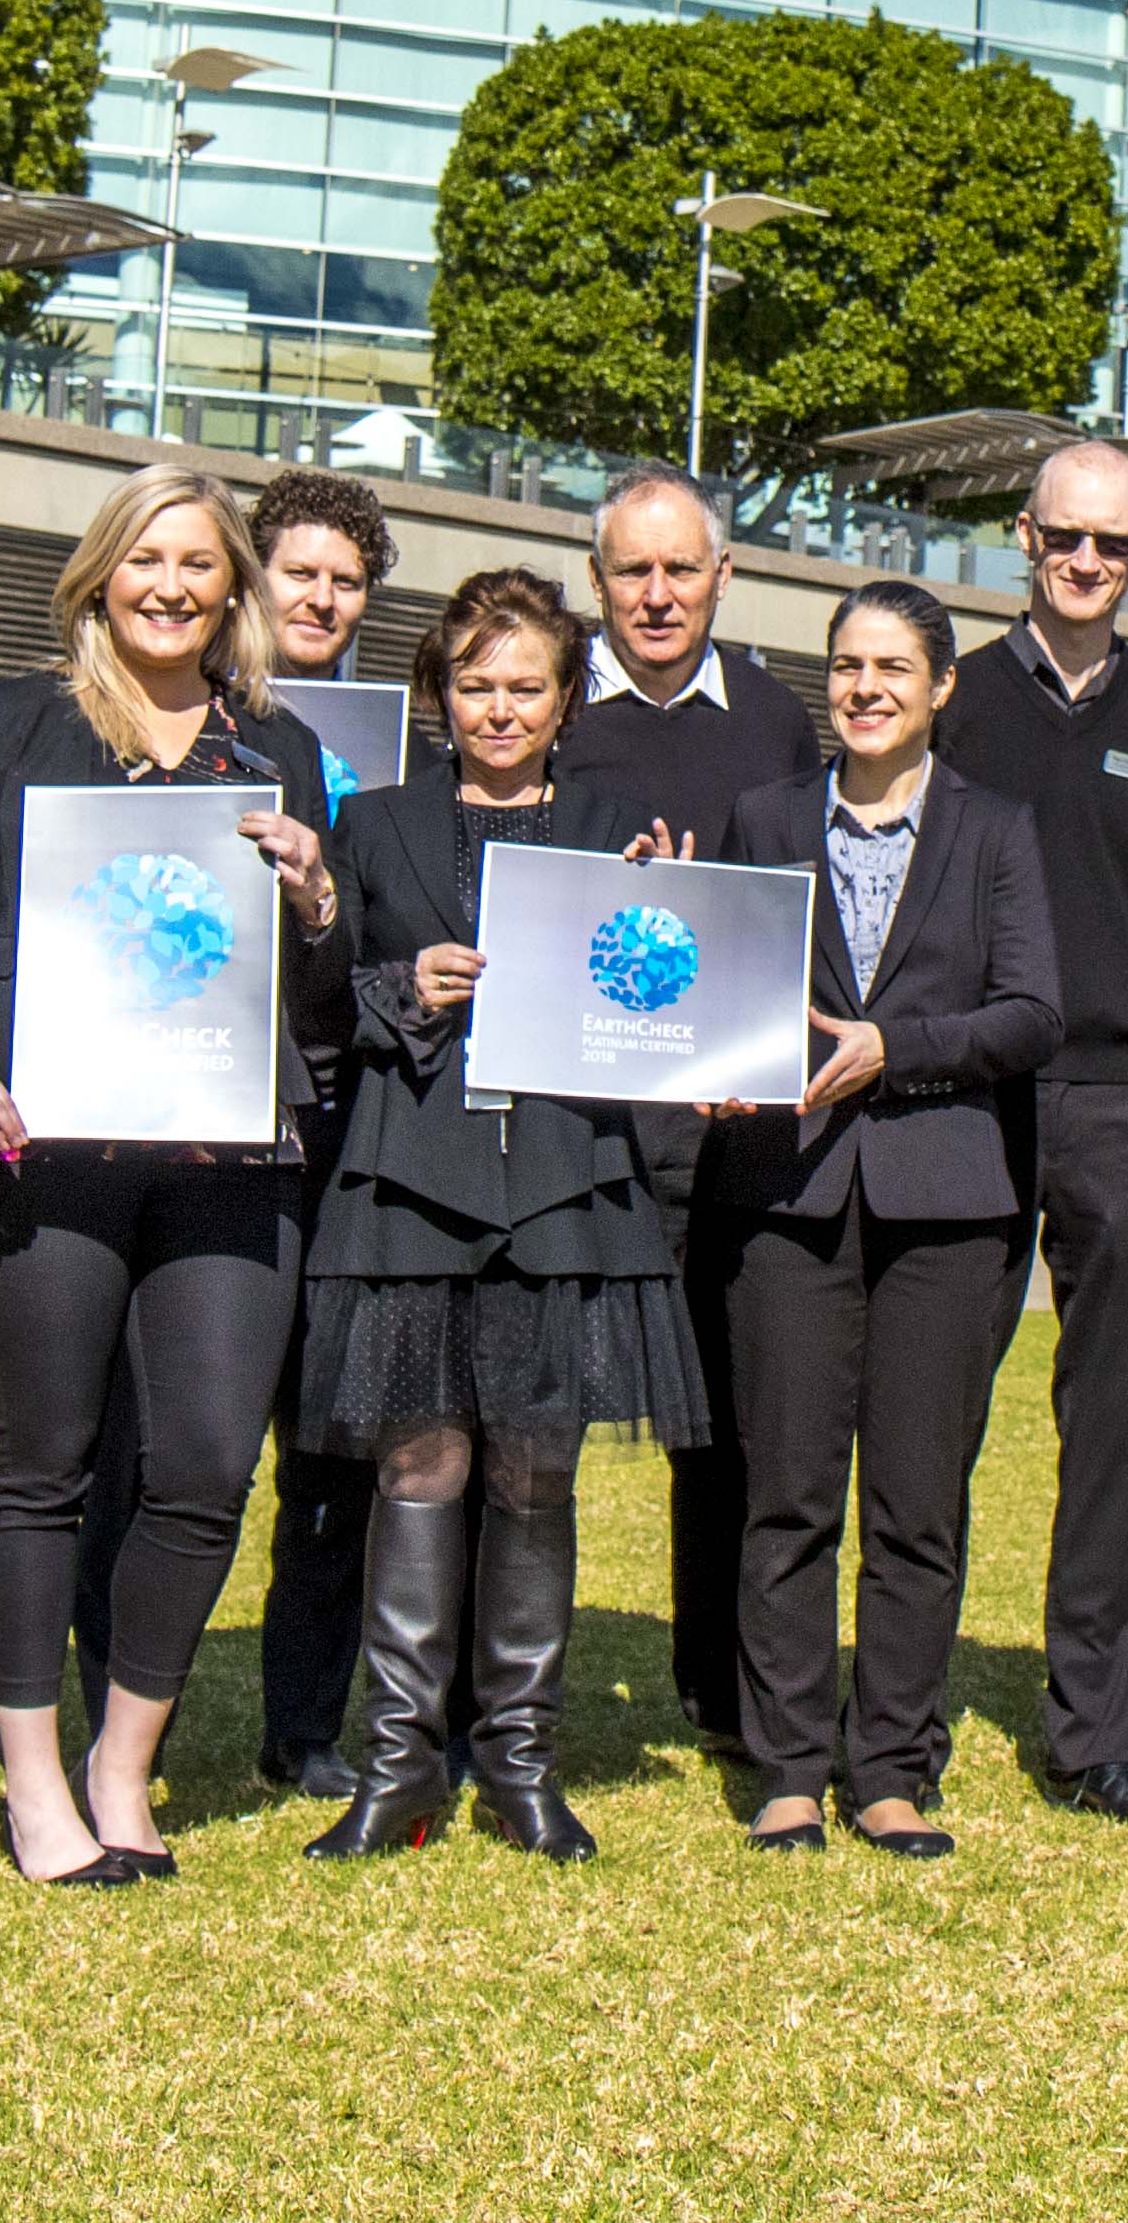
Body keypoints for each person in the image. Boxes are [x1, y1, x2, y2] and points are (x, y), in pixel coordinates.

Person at [0, 464, 345, 1890]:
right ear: (98, 575)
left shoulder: (282, 749)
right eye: (147, 559)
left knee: (205, 1463)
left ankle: (122, 1767)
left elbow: (320, 994)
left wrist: (319, 898)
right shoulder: (10, 726)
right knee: (45, 1463)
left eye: (202, 564)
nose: (173, 586)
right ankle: (35, 1788)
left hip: (225, 1149)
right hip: (38, 1149)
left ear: (234, 589)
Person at [295, 566, 713, 1859]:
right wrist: (401, 982)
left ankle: (522, 1763)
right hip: (409, 1176)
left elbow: (651, 1009)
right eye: (475, 686)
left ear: (565, 698)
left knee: (537, 1471)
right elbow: (322, 998)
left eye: (525, 687)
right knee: (420, 1468)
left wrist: (665, 924)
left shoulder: (617, 828)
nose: (499, 708)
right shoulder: (373, 825)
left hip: (564, 1184)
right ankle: (399, 1766)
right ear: (439, 694)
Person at [711, 580, 1063, 1861]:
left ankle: (893, 1767)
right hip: (787, 1195)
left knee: (919, 1501)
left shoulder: (997, 830)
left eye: (893, 669)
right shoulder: (759, 819)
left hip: (951, 1204)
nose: (865, 689)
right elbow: (723, 983)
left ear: (941, 687)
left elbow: (1033, 1014)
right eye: (847, 666)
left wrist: (893, 1049)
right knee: (788, 1495)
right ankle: (790, 1767)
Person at [81, 465, 402, 1799]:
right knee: (141, 1435)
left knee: (326, 1446)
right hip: (145, 1118)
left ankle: (301, 1723)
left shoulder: (361, 757)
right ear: (244, 579)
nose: (318, 595)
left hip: (319, 1124)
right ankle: (111, 1710)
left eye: (346, 579)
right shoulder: (128, 716)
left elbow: (364, 947)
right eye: (299, 571)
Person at [933, 438, 1128, 1829]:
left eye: (1113, 546)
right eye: (1064, 541)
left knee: (1117, 1433)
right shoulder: (950, 703)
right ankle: (895, 1722)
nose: (1087, 565)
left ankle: (1101, 1733)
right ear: (1024, 539)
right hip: (962, 1097)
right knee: (931, 1414)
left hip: (1118, 1102)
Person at [547, 465, 823, 1761]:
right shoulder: (545, 711)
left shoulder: (776, 724)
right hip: (578, 1130)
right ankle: (506, 1701)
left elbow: (807, 910)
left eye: (680, 570)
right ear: (594, 581)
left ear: (726, 576)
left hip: (731, 1132)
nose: (656, 595)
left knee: (723, 1423)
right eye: (630, 571)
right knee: (533, 1424)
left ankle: (721, 1696)